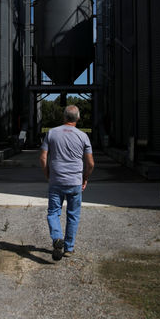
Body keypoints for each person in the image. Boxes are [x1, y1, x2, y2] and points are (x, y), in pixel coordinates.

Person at [39, 105, 94, 261]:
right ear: (78, 118)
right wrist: (85, 177)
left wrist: (47, 174)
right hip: (75, 182)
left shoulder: (52, 133)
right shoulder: (83, 136)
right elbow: (90, 163)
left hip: (56, 181)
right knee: (73, 215)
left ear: (64, 117)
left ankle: (57, 238)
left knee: (53, 213)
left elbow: (43, 158)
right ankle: (69, 248)